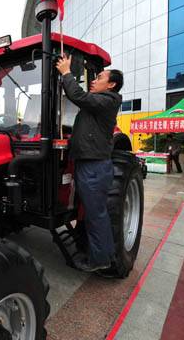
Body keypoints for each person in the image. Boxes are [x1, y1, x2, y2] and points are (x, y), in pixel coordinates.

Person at [56, 55, 123, 272]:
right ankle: (103, 253)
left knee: (96, 215)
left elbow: (77, 95)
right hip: (89, 164)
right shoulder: (98, 104)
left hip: (94, 166)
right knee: (94, 213)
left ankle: (100, 260)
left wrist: (66, 72)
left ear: (111, 84)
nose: (94, 80)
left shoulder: (108, 100)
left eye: (100, 77)